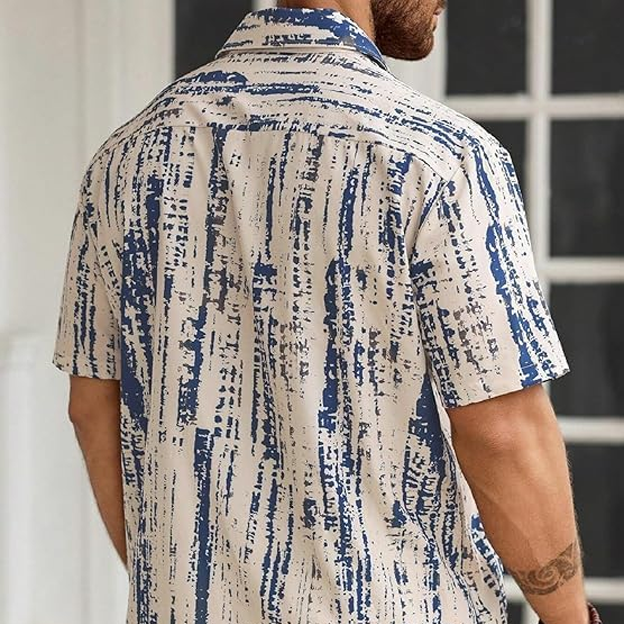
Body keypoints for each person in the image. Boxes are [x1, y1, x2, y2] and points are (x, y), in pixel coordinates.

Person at [51, 1, 603, 623]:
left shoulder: (124, 161)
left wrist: (177, 588)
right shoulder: (438, 156)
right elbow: (501, 431)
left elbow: (91, 407)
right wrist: (569, 619)